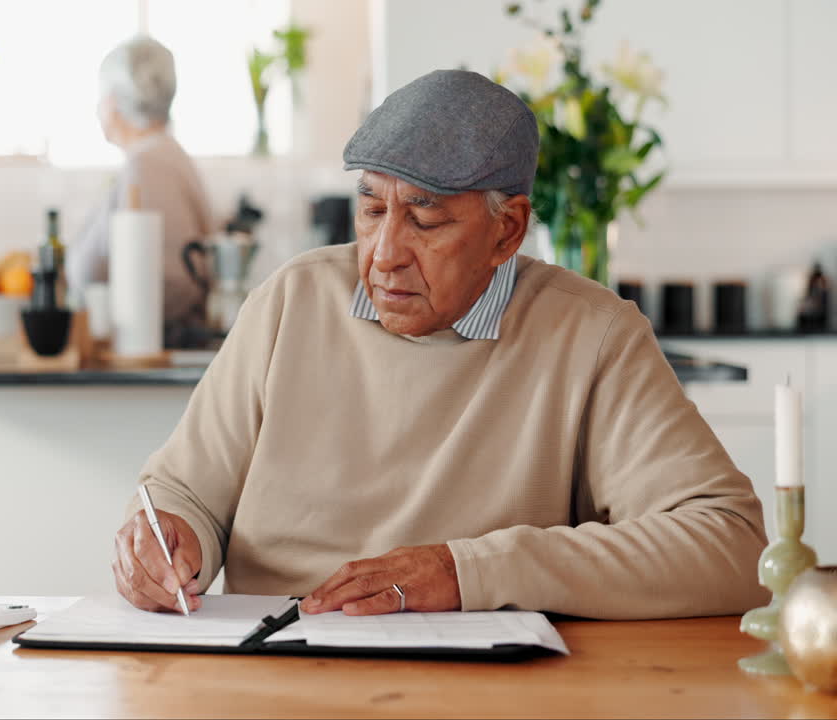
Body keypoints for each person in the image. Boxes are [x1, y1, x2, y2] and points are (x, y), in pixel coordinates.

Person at [111, 70, 768, 620]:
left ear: (507, 231)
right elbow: (185, 492)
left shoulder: (591, 335)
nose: (386, 255)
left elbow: (732, 548)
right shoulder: (291, 302)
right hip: (274, 669)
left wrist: (472, 571)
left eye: (424, 219)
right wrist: (171, 538)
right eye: (371, 211)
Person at [66, 34, 215, 344]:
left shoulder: (149, 166)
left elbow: (173, 283)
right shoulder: (159, 156)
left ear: (114, 103)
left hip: (146, 347)